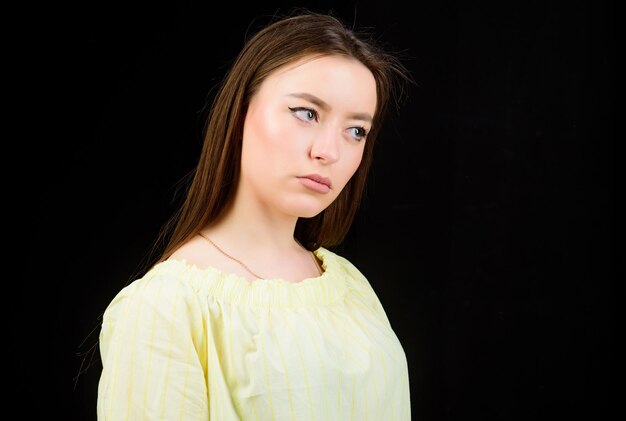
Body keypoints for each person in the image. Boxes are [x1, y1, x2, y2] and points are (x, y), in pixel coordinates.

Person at [96, 9, 413, 420]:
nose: (329, 152)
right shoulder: (166, 307)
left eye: (356, 131)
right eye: (306, 113)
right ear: (242, 112)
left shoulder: (350, 286)